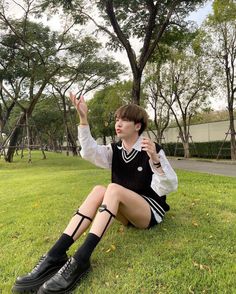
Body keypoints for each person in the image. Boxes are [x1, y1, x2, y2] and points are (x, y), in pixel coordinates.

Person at [12, 93, 178, 294]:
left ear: (137, 126)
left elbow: (168, 185)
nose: (118, 123)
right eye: (117, 119)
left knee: (112, 189)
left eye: (125, 120)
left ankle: (81, 259)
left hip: (149, 212)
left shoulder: (151, 149)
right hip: (125, 211)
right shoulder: (115, 149)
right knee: (99, 189)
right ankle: (55, 254)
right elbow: (89, 151)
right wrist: (83, 119)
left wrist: (155, 159)